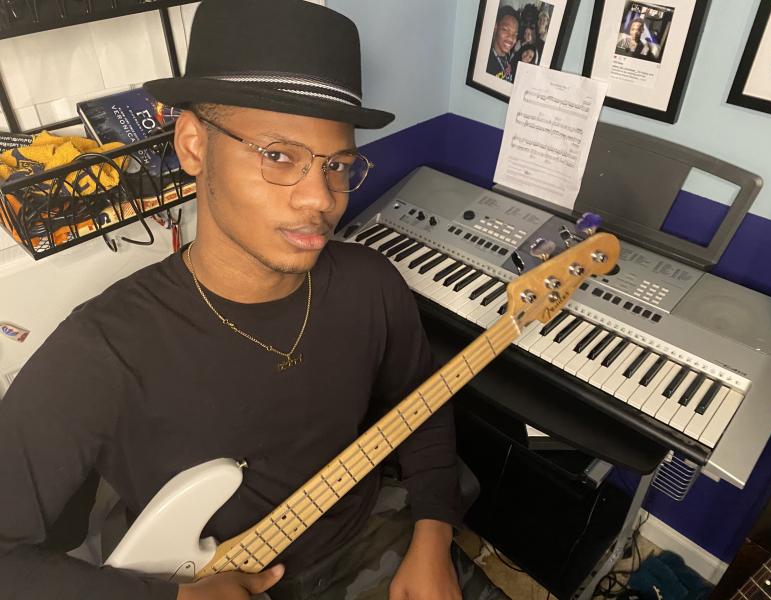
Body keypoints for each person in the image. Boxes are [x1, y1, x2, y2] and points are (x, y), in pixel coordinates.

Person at [0, 1, 509, 599]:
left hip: (368, 538)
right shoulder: (101, 350)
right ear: (193, 146)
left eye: (338, 165)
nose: (319, 199)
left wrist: (431, 540)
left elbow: (424, 406)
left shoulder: (373, 284)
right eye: (278, 156)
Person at [486, 5, 519, 82]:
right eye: (505, 30)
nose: (511, 38)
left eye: (515, 34)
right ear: (495, 27)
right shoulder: (487, 62)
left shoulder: (507, 56)